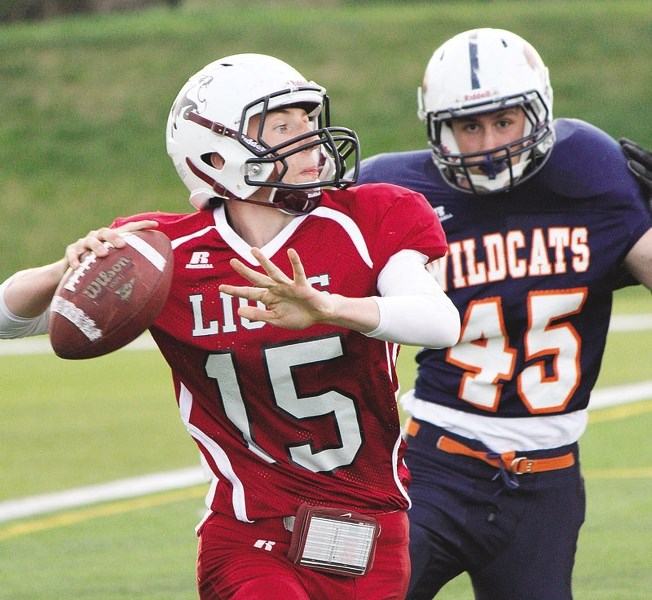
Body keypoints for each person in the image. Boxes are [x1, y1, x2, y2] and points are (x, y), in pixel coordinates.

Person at [0, 54, 461, 599]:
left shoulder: (374, 215)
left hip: (370, 532)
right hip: (247, 534)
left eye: (309, 120)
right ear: (215, 155)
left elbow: (439, 321)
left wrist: (328, 308)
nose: (310, 138)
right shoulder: (162, 253)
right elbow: (10, 321)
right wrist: (63, 270)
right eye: (283, 126)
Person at [356, 28, 652, 600]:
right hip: (435, 465)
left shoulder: (589, 168)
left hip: (548, 483)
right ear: (439, 129)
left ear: (538, 114)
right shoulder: (393, 189)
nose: (489, 142)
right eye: (469, 126)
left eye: (504, 121)